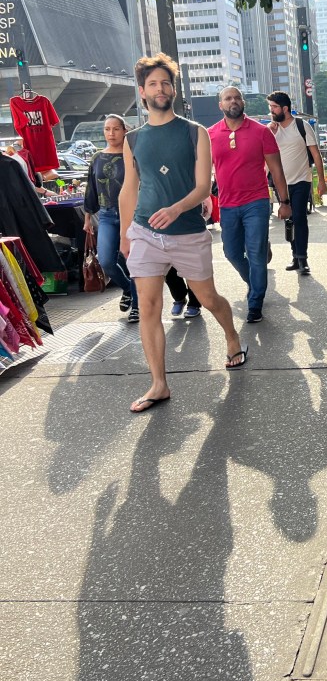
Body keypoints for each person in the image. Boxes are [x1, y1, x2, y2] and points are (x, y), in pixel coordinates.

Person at [119, 52, 246, 414]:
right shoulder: (132, 139)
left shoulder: (195, 132)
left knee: (208, 298)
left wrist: (176, 208)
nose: (161, 89)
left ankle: (232, 337)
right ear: (143, 92)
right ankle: (159, 384)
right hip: (145, 232)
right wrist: (127, 235)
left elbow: (204, 186)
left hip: (188, 232)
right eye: (153, 84)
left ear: (173, 90)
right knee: (148, 305)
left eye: (166, 83)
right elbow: (129, 190)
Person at [210, 86, 291, 323]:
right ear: (221, 105)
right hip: (227, 204)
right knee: (232, 253)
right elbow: (203, 171)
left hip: (256, 202)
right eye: (228, 98)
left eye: (237, 97)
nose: (233, 101)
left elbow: (277, 170)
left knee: (255, 253)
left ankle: (255, 303)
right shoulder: (210, 134)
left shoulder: (261, 132)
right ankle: (254, 282)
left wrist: (284, 202)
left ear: (243, 102)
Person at [83, 115, 139, 322]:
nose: (111, 133)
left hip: (132, 214)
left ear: (124, 131)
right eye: (107, 129)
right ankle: (127, 289)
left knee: (133, 261)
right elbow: (91, 188)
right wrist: (87, 218)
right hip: (106, 215)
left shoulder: (133, 155)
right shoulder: (97, 157)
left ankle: (137, 306)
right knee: (106, 261)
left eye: (116, 129)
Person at [267, 91, 327, 276]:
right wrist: (270, 134)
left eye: (274, 107)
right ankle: (295, 256)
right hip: (281, 184)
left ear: (285, 108)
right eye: (270, 107)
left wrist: (321, 180)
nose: (271, 110)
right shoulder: (271, 130)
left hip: (301, 180)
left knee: (299, 218)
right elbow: (265, 156)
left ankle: (303, 259)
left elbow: (316, 154)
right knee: (289, 219)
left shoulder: (302, 126)